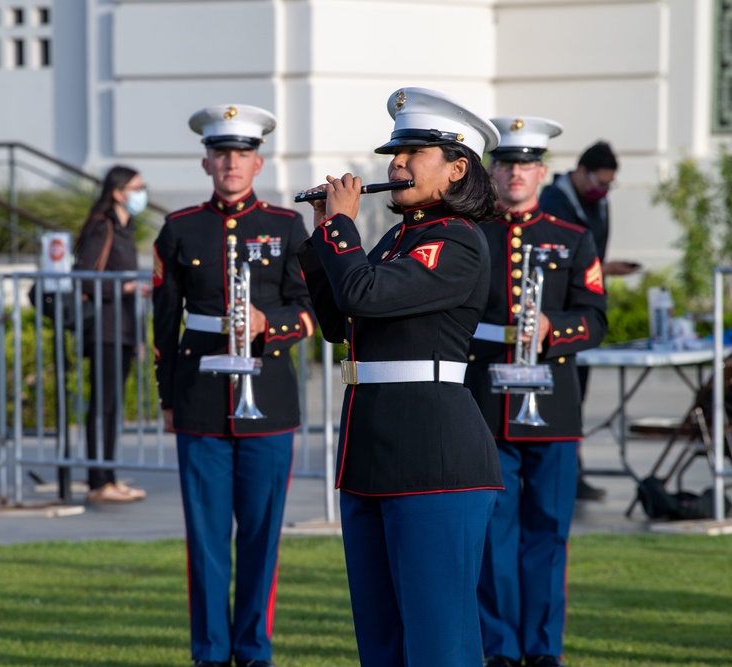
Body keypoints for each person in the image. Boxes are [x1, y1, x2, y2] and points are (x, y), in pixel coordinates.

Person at [297, 87, 503, 666]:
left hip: (434, 460)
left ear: (458, 167)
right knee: (381, 642)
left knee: (440, 644)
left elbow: (364, 291)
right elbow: (341, 321)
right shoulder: (398, 238)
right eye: (395, 151)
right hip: (373, 456)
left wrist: (343, 229)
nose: (397, 164)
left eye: (416, 151)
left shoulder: (456, 241)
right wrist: (324, 235)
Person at [153, 103, 315, 667]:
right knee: (205, 540)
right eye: (222, 154)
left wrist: (274, 325)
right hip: (199, 401)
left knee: (261, 538)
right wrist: (167, 398)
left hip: (267, 401)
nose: (231, 163)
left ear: (258, 162)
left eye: (242, 154)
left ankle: (253, 649)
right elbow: (163, 324)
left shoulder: (286, 226)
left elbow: (308, 309)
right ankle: (210, 652)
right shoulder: (179, 229)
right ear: (206, 163)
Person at [468, 117, 608, 667]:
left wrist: (556, 328)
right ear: (491, 171)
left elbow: (595, 319)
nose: (515, 173)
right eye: (505, 163)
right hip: (484, 400)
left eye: (526, 164)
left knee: (548, 534)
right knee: (492, 534)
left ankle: (542, 648)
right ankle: (499, 648)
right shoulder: (470, 233)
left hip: (551, 403)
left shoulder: (573, 237)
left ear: (543, 172)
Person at [539, 140, 638, 501]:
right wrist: (604, 269)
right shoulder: (554, 203)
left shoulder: (599, 203)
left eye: (609, 185)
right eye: (599, 183)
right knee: (561, 395)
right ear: (581, 173)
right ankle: (562, 475)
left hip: (580, 312)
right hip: (555, 314)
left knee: (576, 396)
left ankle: (570, 473)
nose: (603, 191)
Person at [75, 165, 150, 503]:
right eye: (136, 187)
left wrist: (140, 339)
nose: (141, 193)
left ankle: (108, 477)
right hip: (104, 329)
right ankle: (98, 481)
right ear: (118, 192)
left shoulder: (124, 227)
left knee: (112, 407)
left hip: (123, 329)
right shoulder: (102, 227)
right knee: (102, 406)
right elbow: (86, 277)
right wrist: (128, 286)